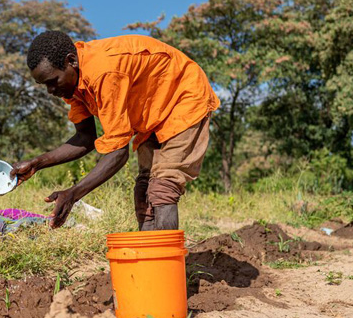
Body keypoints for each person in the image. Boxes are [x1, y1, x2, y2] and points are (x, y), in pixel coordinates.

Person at [11, 31, 220, 230]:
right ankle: (150, 261)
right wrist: (37, 164)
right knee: (144, 191)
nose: (50, 91)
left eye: (52, 81)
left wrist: (73, 194)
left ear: (71, 61)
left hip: (184, 97)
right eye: (44, 85)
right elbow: (85, 137)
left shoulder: (103, 73)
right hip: (152, 114)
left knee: (162, 190)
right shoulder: (73, 84)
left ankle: (168, 263)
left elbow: (119, 153)